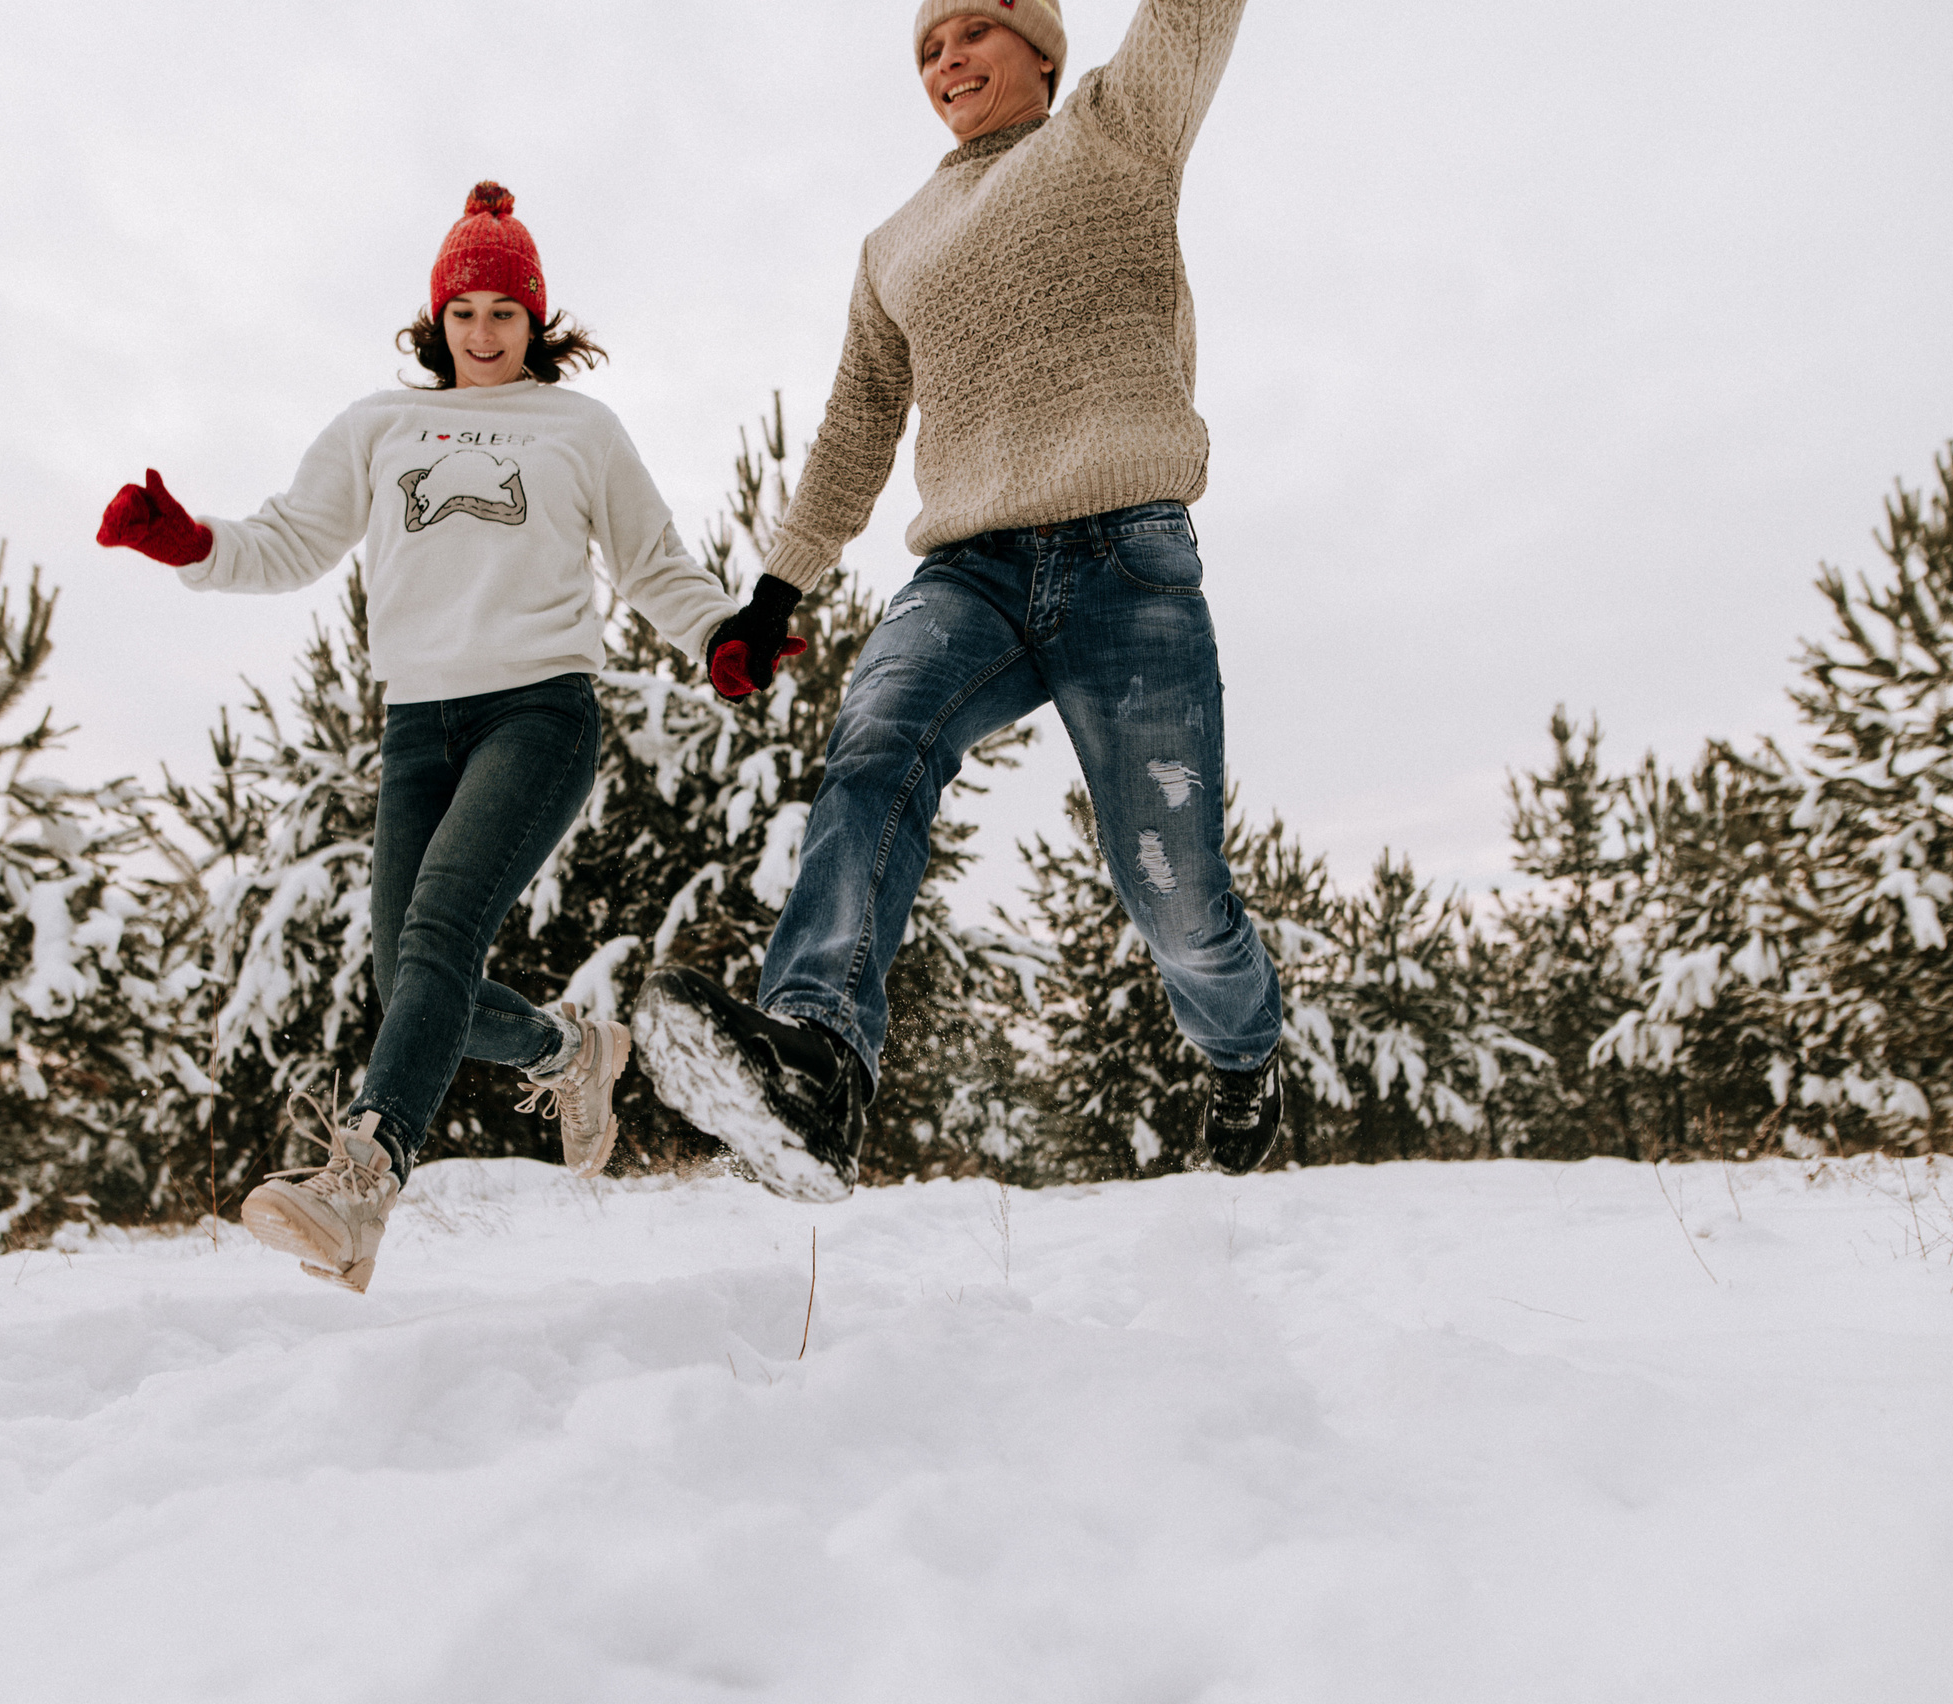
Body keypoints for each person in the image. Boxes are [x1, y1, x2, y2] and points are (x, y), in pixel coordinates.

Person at [636, 0, 1285, 1201]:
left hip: (1127, 554)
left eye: (975, 33)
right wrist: (775, 594)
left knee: (1175, 892)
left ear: (1043, 50)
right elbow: (857, 425)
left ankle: (1241, 1053)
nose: (947, 60)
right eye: (929, 48)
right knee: (875, 745)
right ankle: (816, 1063)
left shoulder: (1114, 127)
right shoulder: (893, 246)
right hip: (969, 571)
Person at [98, 183, 739, 1289]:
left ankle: (362, 1182)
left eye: (505, 310)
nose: (484, 333)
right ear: (434, 321)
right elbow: (293, 541)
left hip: (538, 708)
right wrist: (191, 541)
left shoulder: (581, 428)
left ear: (538, 318)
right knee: (413, 987)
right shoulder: (378, 426)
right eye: (464, 312)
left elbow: (650, 563)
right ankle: (570, 1051)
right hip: (414, 727)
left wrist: (723, 635)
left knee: (439, 929)